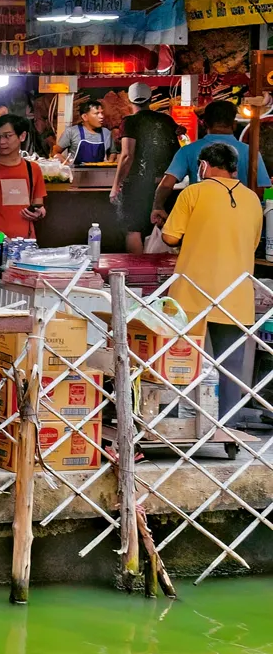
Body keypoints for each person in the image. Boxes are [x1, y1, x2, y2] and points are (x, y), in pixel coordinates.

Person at [159, 142, 264, 429]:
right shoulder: (253, 200)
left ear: (203, 166)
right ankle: (227, 429)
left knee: (181, 363)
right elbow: (253, 242)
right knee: (230, 367)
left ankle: (177, 426)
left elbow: (170, 237)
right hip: (236, 295)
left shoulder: (193, 192)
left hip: (192, 293)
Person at [153, 99, 268, 227]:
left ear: (205, 124)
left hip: (200, 221)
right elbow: (262, 189)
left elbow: (166, 184)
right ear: (234, 124)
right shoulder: (250, 152)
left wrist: (158, 207)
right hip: (241, 223)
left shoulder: (188, 150)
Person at [112, 83, 181, 251]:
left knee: (133, 230)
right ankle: (162, 267)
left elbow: (127, 156)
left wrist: (115, 186)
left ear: (129, 100)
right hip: (164, 185)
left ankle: (137, 268)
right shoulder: (166, 120)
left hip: (138, 185)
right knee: (162, 226)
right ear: (150, 99)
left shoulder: (130, 122)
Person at [58, 97, 114, 166]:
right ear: (85, 117)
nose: (101, 116)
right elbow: (55, 152)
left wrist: (109, 162)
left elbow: (113, 153)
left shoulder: (106, 133)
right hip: (76, 172)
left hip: (99, 171)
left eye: (102, 113)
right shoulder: (71, 132)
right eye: (97, 113)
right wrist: (68, 166)